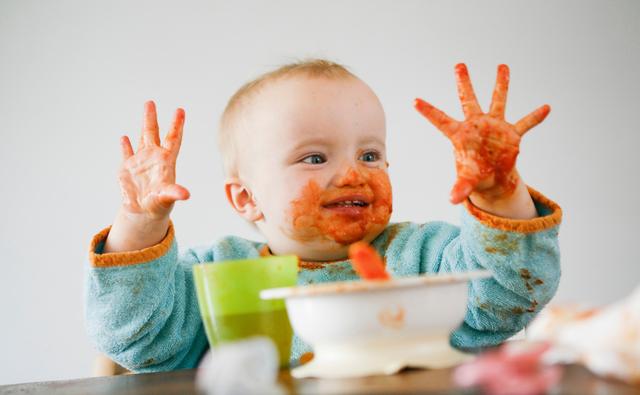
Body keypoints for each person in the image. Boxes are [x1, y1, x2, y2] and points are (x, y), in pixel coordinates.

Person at [85, 59, 562, 372]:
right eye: (315, 159)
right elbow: (136, 338)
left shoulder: (426, 258)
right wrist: (141, 224)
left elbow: (509, 295)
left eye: (371, 155)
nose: (354, 173)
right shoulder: (221, 277)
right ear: (246, 198)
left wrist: (500, 194)